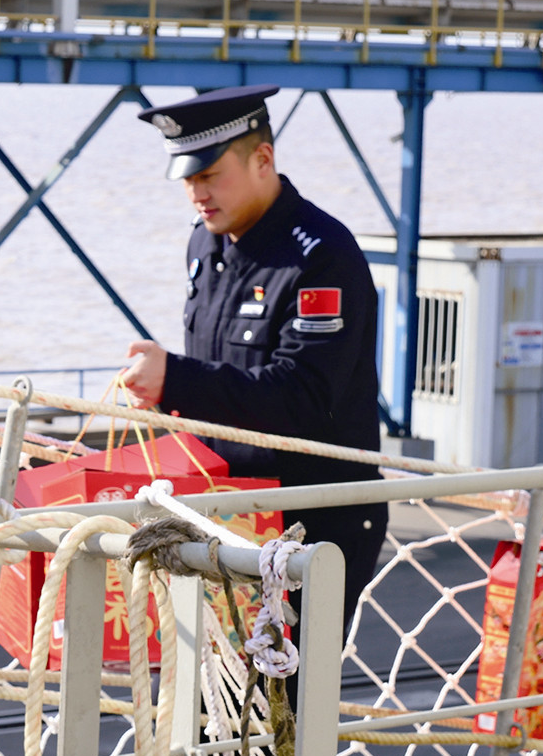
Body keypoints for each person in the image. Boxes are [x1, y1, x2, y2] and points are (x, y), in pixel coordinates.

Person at [115, 84, 389, 594]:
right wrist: (163, 394)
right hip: (223, 508)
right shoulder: (205, 241)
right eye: (188, 178)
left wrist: (176, 379)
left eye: (209, 175)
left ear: (263, 159)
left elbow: (304, 397)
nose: (196, 193)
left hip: (309, 521)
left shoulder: (321, 256)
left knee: (288, 654)